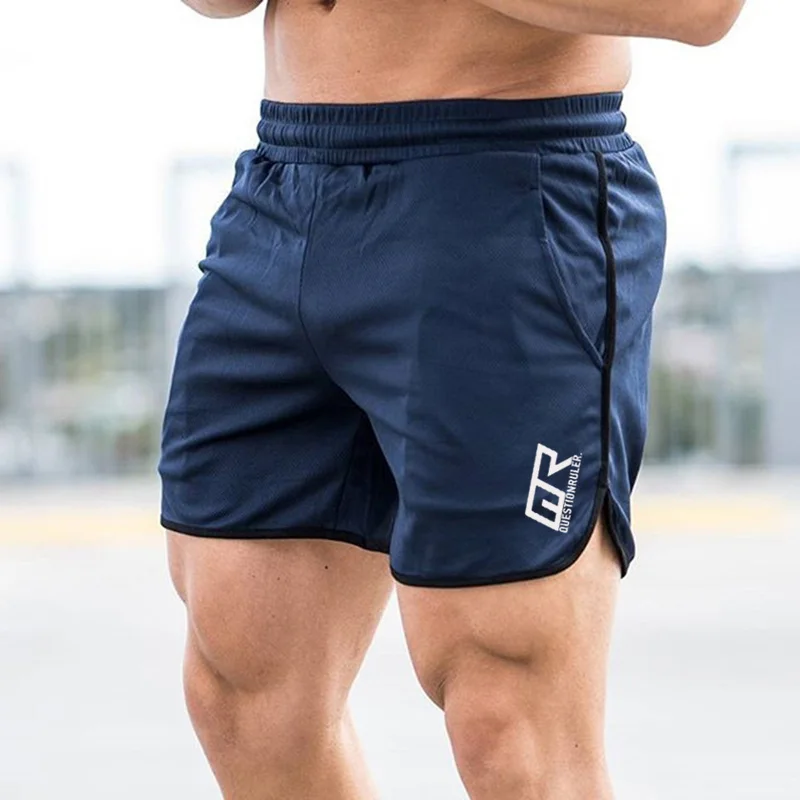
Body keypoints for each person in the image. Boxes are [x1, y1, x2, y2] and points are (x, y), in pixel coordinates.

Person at [160, 1, 744, 797]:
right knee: (244, 697)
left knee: (510, 724)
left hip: (507, 181)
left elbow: (704, 9)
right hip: (285, 189)